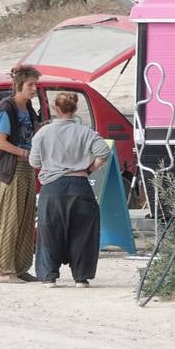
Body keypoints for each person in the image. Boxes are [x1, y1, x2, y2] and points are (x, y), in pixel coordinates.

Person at [29, 91, 111, 287]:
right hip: (80, 186)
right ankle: (81, 277)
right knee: (82, 232)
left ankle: (49, 276)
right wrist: (89, 168)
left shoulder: (43, 133)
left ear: (56, 109)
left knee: (49, 231)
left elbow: (34, 161)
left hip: (52, 187)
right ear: (75, 110)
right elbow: (104, 152)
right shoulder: (86, 132)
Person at [0, 65, 42, 284]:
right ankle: (5, 270)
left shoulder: (28, 107)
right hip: (13, 169)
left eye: (35, 85)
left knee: (26, 218)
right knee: (10, 219)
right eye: (31, 85)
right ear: (19, 85)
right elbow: (1, 142)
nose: (34, 89)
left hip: (28, 167)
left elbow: (31, 131)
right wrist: (23, 152)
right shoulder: (8, 108)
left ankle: (20, 267)